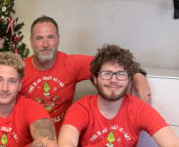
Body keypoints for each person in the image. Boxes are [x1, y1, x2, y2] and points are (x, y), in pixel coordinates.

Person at [21, 16, 151, 133]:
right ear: (32, 41)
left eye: (50, 37)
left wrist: (138, 75)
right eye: (39, 38)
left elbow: (110, 64)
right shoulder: (20, 69)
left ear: (58, 40)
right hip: (31, 138)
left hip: (63, 137)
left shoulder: (71, 63)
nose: (45, 44)